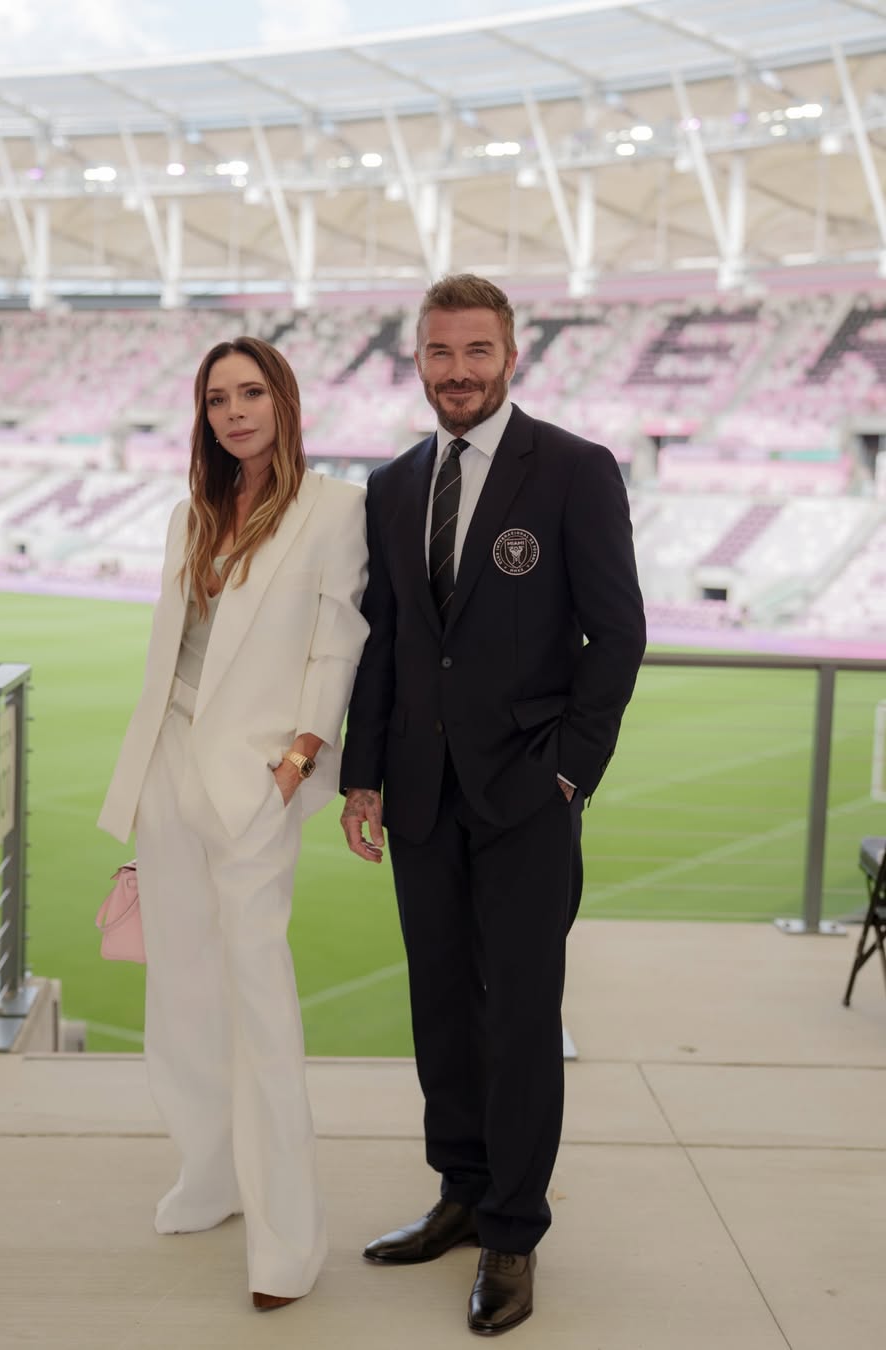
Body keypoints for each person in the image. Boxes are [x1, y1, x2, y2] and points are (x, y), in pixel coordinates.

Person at [339, 274, 646, 1336]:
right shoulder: (390, 485)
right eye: (439, 352)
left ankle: (514, 1232)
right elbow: (385, 646)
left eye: (477, 351)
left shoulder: (572, 470)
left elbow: (620, 634)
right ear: (416, 360)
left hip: (525, 798)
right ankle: (460, 1192)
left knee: (517, 1021)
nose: (458, 371)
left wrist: (568, 771)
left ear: (511, 355)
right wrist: (364, 774)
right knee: (441, 1015)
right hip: (421, 799)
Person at [98, 336, 369, 1313]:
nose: (235, 411)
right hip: (169, 772)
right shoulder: (190, 514)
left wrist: (300, 760)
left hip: (259, 782)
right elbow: (174, 655)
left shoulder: (336, 509)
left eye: (251, 392)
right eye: (218, 398)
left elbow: (338, 641)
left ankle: (288, 1239)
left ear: (283, 401)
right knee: (181, 991)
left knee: (258, 999)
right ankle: (209, 1170)